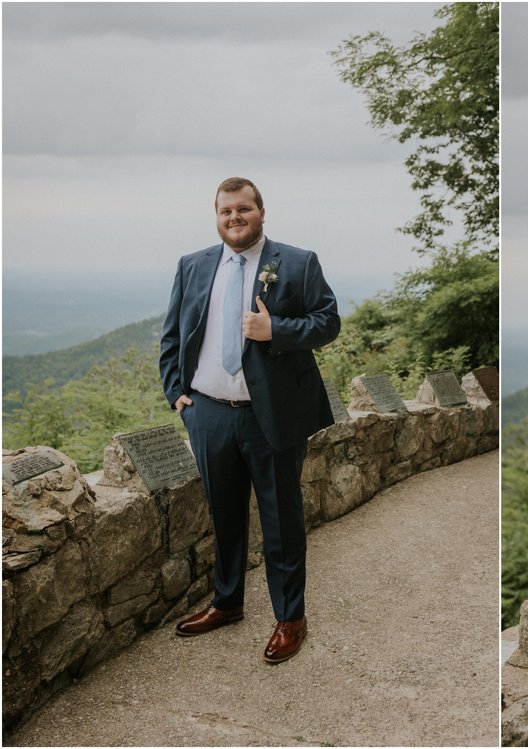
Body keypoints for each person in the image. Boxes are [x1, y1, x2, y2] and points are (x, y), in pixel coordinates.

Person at [160, 177, 340, 664]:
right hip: (209, 415)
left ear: (261, 212)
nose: (234, 218)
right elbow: (174, 332)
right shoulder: (193, 265)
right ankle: (227, 602)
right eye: (225, 211)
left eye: (243, 209)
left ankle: (291, 618)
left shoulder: (298, 262)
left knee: (281, 520)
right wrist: (175, 391)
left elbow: (328, 322)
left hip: (272, 418)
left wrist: (275, 329)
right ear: (216, 217)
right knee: (224, 515)